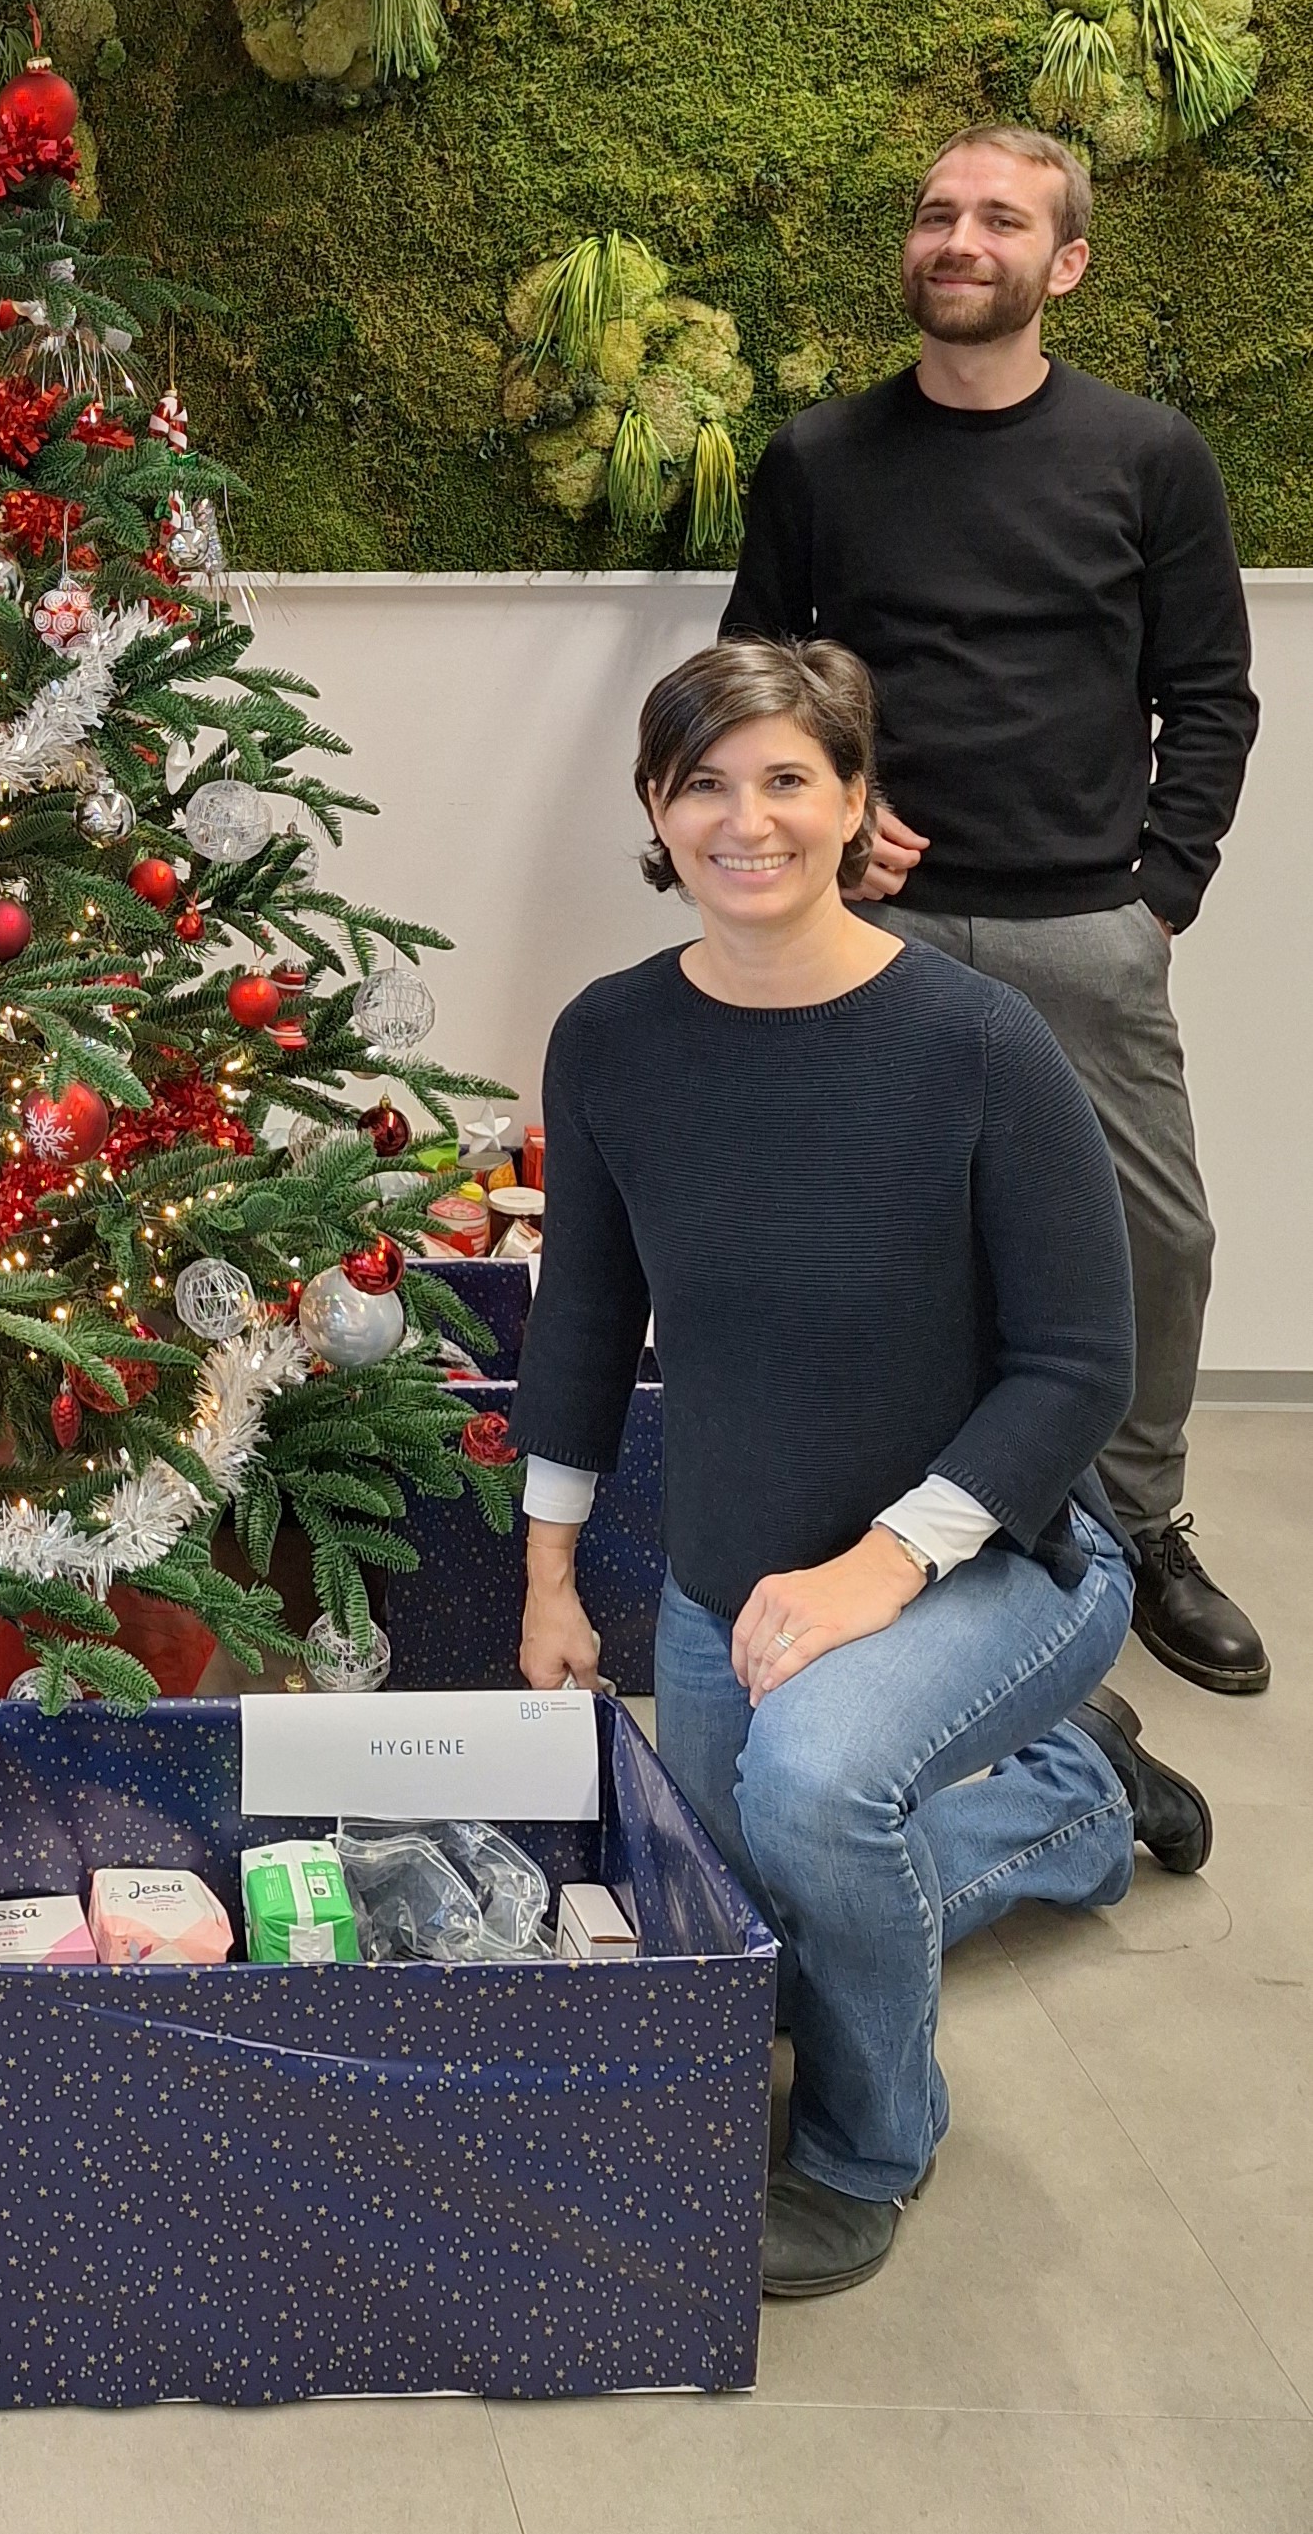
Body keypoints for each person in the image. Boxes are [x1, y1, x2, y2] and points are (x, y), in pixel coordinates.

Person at [515, 638, 1211, 2302]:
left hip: (1003, 1558)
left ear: (856, 803)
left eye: (786, 778)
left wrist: (877, 1569)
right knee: (756, 1947)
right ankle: (1068, 1807)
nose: (743, 818)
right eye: (703, 781)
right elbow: (588, 1321)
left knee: (820, 1789)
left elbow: (1076, 1370)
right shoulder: (612, 1038)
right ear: (656, 811)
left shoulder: (980, 1043)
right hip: (728, 1573)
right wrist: (547, 1577)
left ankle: (863, 2148)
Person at [721, 126, 1263, 1693]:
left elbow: (1210, 694)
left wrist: (1160, 891)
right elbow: (757, 679)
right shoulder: (820, 456)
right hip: (866, 933)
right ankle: (882, 1527)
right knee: (866, 1244)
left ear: (1064, 261)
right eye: (937, 213)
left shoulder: (1151, 457)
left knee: (1156, 1237)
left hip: (1087, 926)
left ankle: (1143, 1519)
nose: (961, 238)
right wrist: (835, 810)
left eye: (1001, 219)